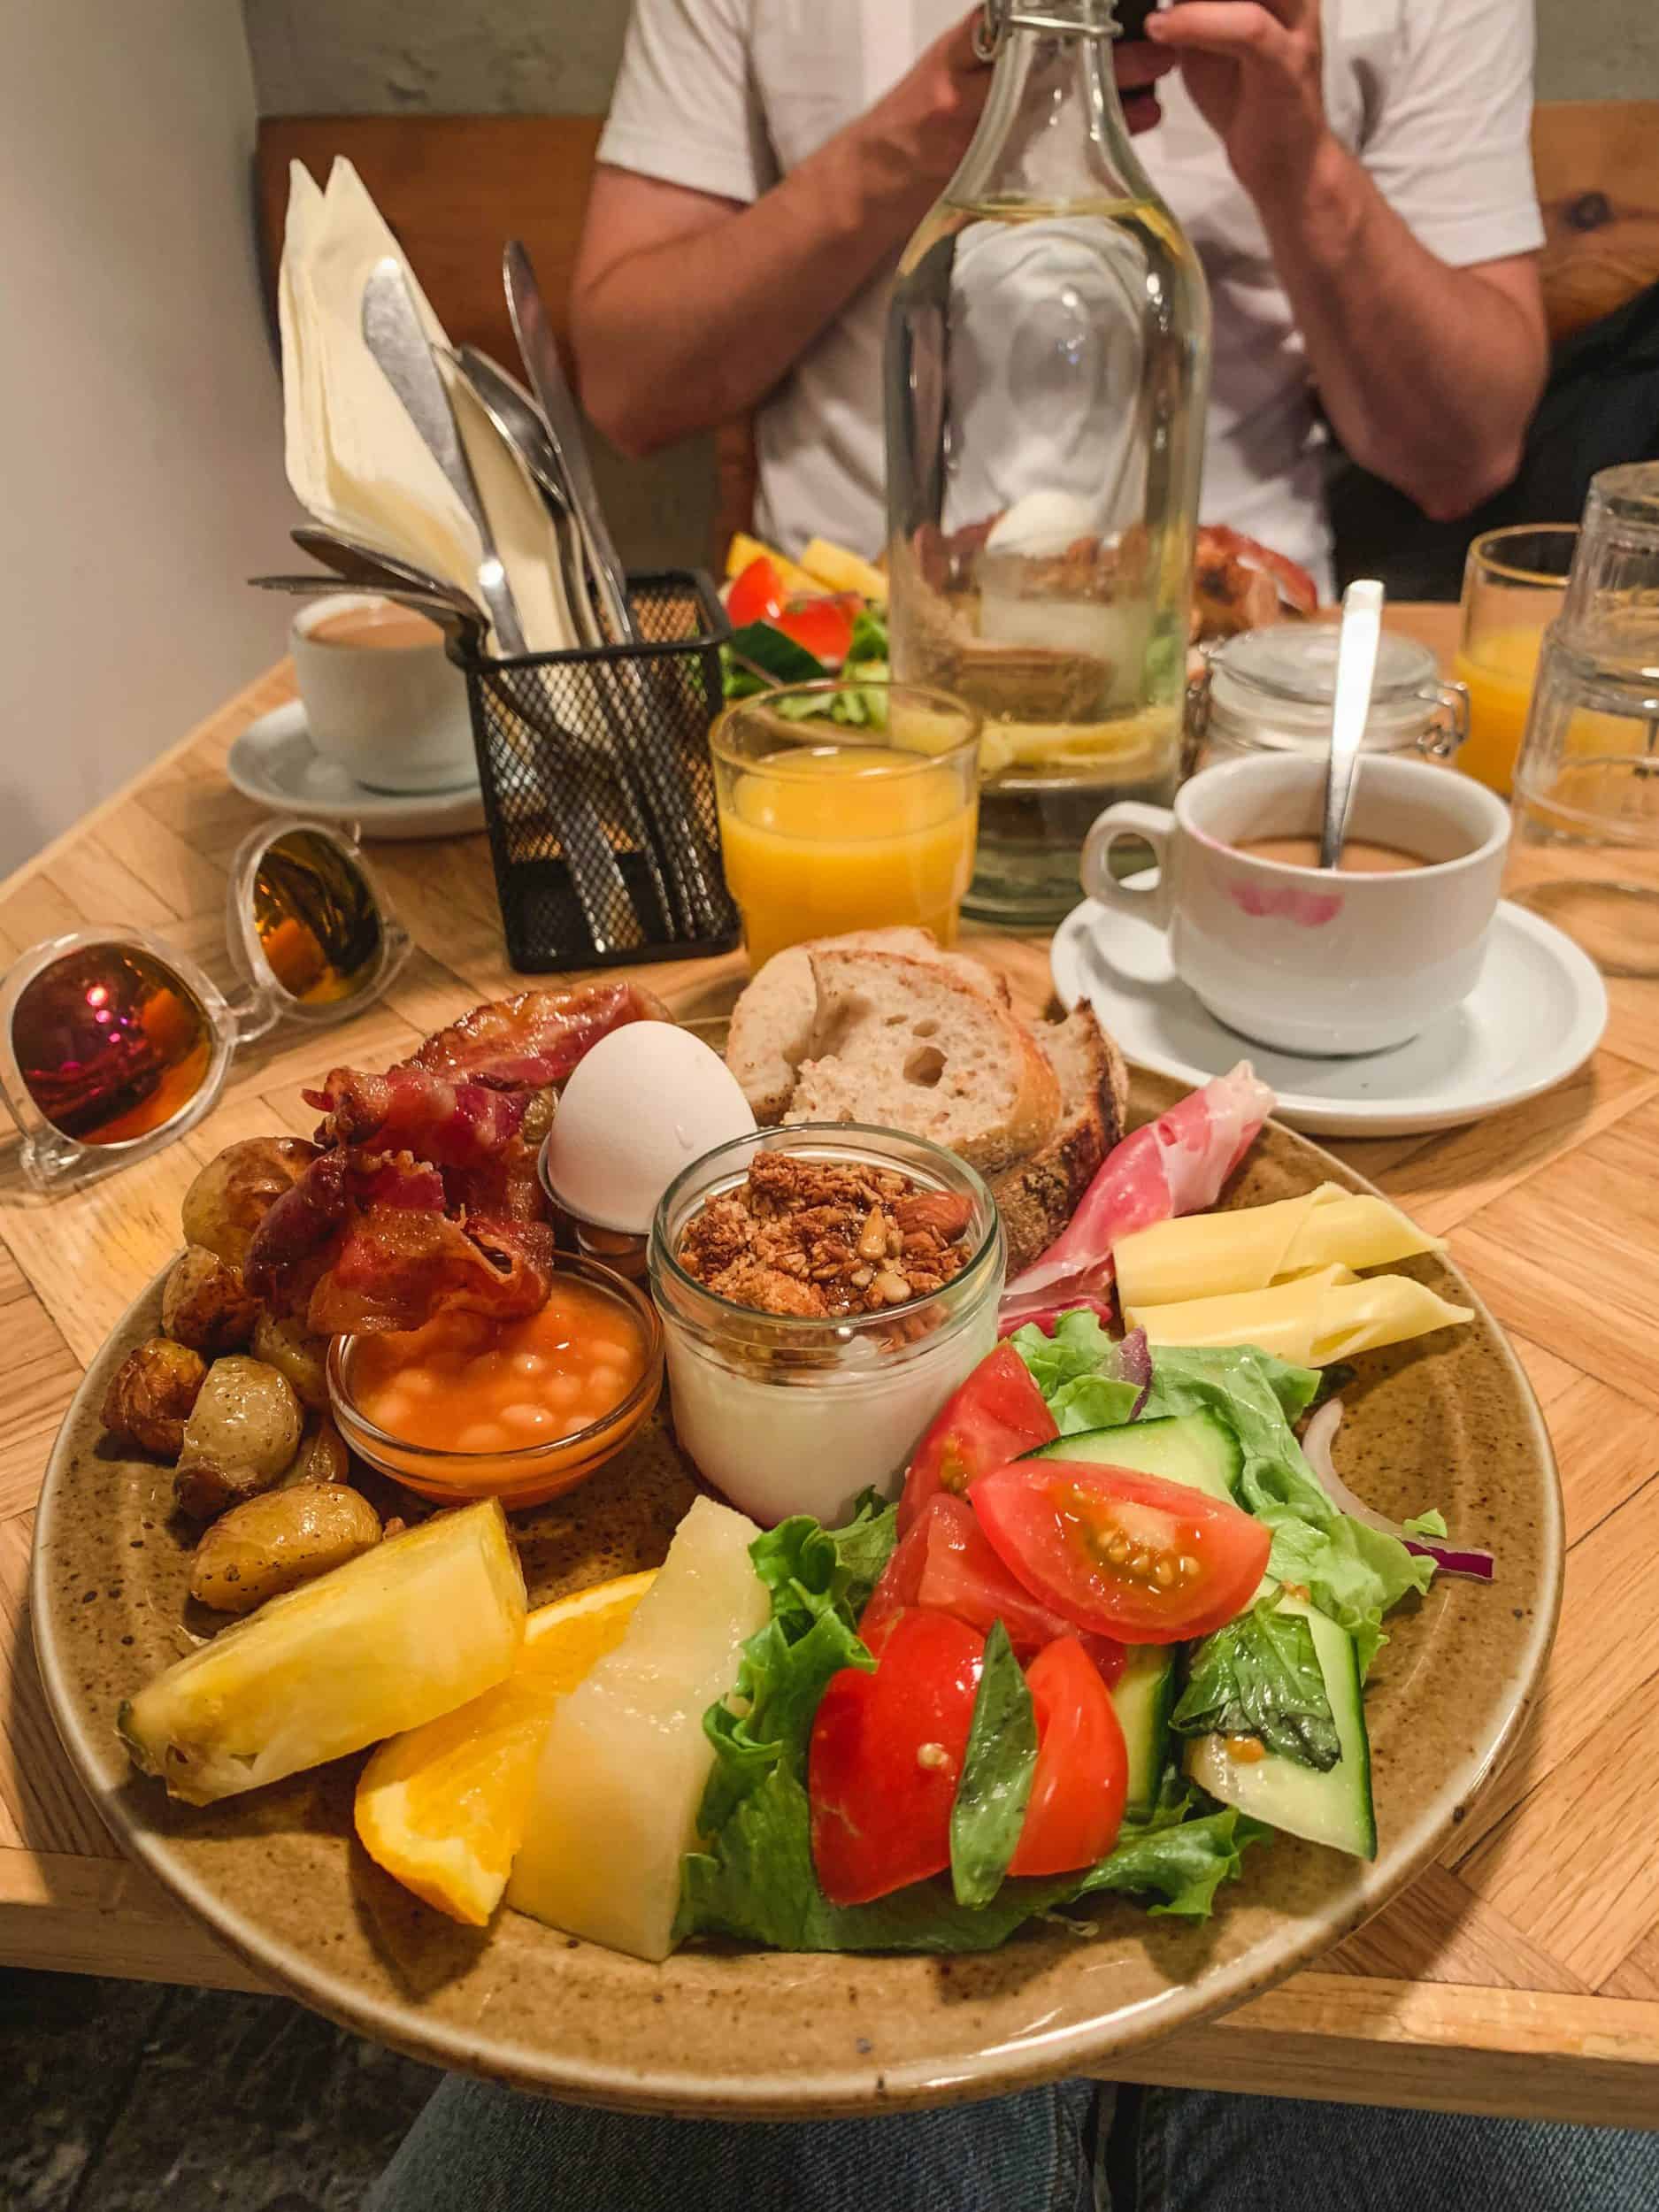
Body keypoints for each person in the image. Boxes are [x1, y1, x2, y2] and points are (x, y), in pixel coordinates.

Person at [567, 0, 1550, 596]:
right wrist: (933, 127)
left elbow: (1465, 452)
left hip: (1242, 660)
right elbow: (629, 388)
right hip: (849, 653)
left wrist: (1302, 175)